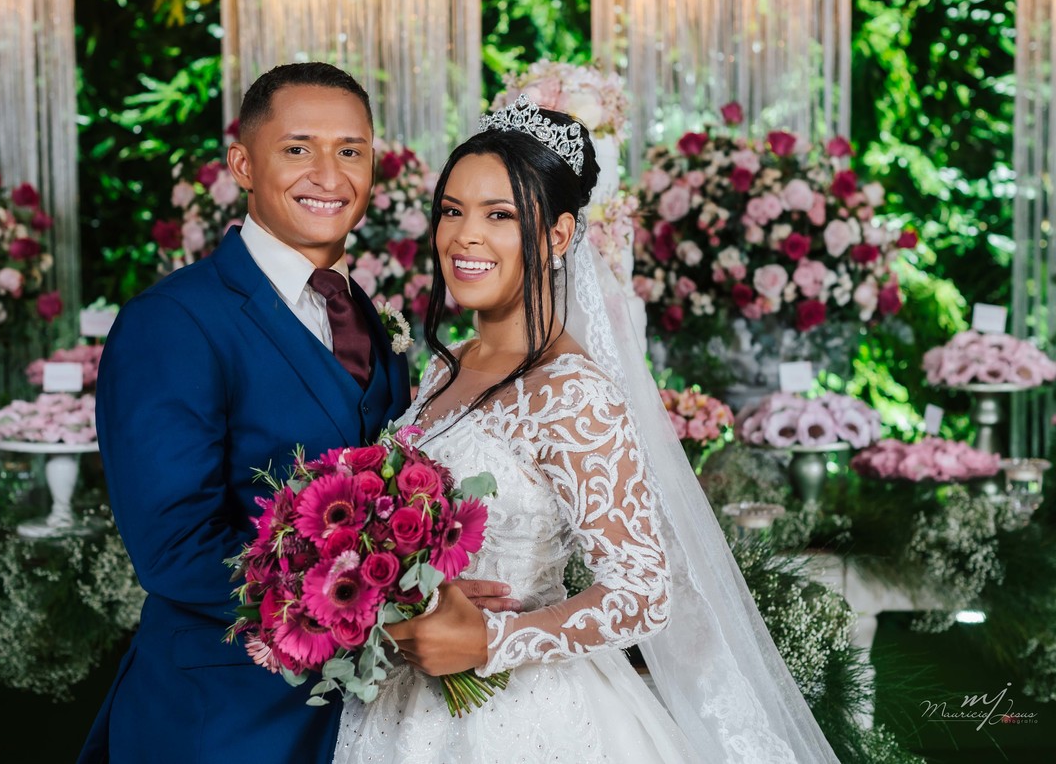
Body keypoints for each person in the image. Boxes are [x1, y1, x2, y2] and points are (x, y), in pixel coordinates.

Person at [334, 97, 840, 763]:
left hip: (518, 717)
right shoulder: (442, 366)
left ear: (558, 235)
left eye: (499, 215)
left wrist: (492, 640)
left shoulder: (571, 392)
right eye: (452, 211)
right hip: (396, 707)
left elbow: (643, 593)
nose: (464, 237)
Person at [78, 63, 516, 764]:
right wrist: (388, 606)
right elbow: (175, 549)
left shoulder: (366, 317)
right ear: (243, 165)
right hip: (225, 718)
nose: (329, 175)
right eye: (297, 148)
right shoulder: (172, 321)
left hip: (371, 720)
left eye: (351, 151)